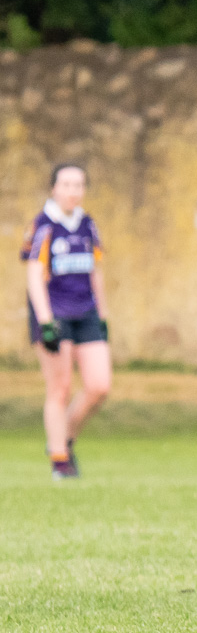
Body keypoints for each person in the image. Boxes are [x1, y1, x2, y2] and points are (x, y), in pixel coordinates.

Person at [20, 163, 112, 481]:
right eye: (66, 184)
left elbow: (95, 271)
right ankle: (60, 461)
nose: (72, 191)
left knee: (99, 386)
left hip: (85, 311)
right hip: (54, 313)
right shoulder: (44, 226)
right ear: (54, 188)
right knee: (59, 388)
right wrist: (45, 322)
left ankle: (63, 439)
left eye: (78, 185)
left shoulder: (88, 224)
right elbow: (34, 276)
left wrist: (102, 315)